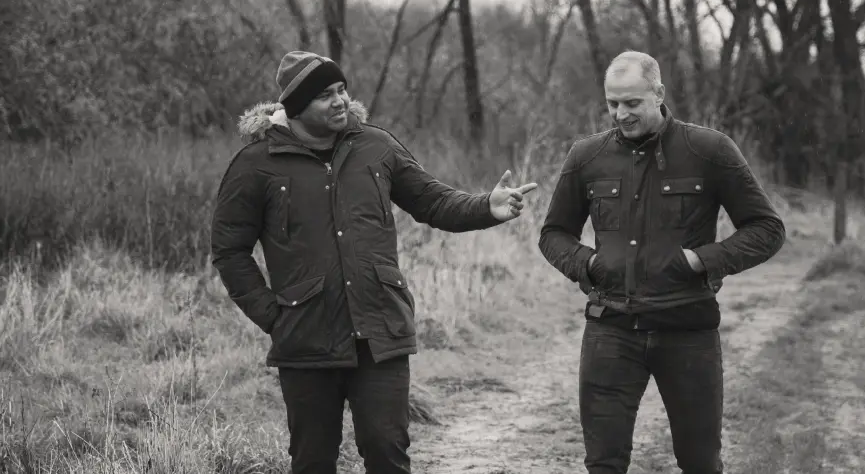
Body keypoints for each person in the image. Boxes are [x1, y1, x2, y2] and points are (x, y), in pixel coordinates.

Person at [211, 51, 537, 474]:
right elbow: (229, 250)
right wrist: (274, 316)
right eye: (325, 94)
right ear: (294, 106)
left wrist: (484, 207)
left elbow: (433, 201)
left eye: (342, 89)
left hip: (381, 333)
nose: (340, 101)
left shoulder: (376, 146)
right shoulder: (256, 165)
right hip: (306, 342)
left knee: (387, 453)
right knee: (312, 462)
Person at [538, 51, 786, 474]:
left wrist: (702, 261)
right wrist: (590, 264)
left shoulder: (709, 149)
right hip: (610, 330)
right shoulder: (586, 157)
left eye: (632, 103)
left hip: (687, 329)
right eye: (612, 103)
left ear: (659, 94)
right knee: (603, 464)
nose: (621, 114)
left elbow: (766, 229)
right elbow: (553, 235)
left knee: (700, 461)